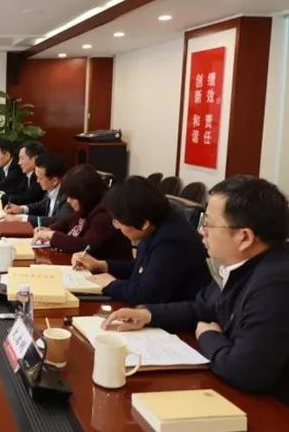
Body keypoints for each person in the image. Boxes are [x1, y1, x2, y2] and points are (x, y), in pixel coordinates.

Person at [103, 176, 289, 404]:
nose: (202, 232)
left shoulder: (275, 284)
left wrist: (208, 336)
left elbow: (245, 371)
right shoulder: (240, 265)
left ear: (244, 237)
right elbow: (202, 307)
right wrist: (147, 314)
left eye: (208, 224)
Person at [73, 176, 211, 305]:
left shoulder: (172, 243)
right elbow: (141, 268)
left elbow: (147, 295)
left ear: (144, 223)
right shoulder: (155, 222)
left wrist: (111, 284)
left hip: (178, 317)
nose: (117, 227)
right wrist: (101, 265)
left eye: (119, 222)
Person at [32, 164, 131, 259]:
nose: (68, 201)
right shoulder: (89, 204)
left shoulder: (105, 214)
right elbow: (68, 222)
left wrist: (51, 235)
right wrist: (49, 229)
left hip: (106, 267)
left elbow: (84, 246)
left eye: (72, 197)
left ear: (85, 196)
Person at [2, 153, 72, 227]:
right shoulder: (51, 189)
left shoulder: (68, 196)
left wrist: (23, 218)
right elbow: (42, 205)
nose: (37, 181)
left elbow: (56, 221)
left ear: (54, 181)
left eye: (40, 178)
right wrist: (21, 209)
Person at [0, 141, 46, 206]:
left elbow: (27, 199)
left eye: (22, 158)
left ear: (35, 159)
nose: (19, 163)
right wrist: (1, 193)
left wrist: (0, 196)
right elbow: (19, 190)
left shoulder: (40, 176)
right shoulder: (27, 174)